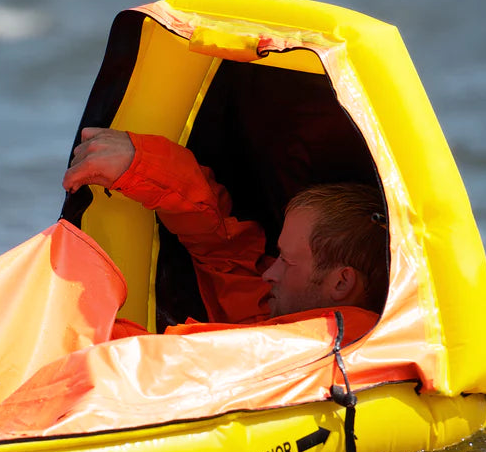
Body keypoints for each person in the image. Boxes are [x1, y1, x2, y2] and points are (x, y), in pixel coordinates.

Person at [63, 127, 389, 340]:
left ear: (341, 283)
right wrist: (139, 164)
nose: (269, 273)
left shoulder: (322, 347)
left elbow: (168, 361)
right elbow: (224, 249)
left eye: (287, 261)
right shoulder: (279, 310)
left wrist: (66, 327)